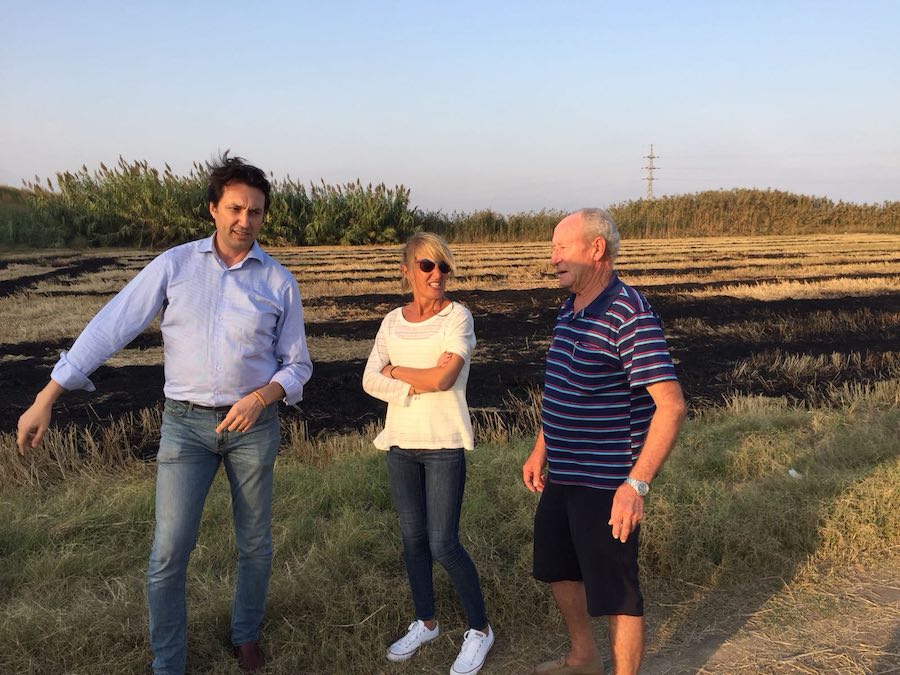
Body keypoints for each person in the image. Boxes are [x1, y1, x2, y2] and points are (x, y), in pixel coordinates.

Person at [16, 153, 313, 675]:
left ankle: (245, 634)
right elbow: (113, 325)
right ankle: (168, 662)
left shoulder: (278, 281)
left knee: (255, 543)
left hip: (254, 428)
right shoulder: (174, 266)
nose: (245, 221)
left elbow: (297, 365)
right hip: (186, 427)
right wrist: (47, 396)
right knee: (168, 553)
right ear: (213, 210)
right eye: (236, 209)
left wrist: (260, 398)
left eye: (256, 212)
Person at [522, 209, 686, 675]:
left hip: (608, 481)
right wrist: (541, 449)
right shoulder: (569, 308)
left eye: (561, 247)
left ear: (596, 249)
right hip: (564, 474)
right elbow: (560, 388)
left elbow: (671, 405)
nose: (551, 258)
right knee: (557, 567)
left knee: (617, 590)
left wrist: (635, 486)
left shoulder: (628, 313)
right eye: (552, 248)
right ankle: (582, 657)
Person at [362, 232, 494, 675]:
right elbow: (368, 379)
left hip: (443, 445)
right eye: (427, 266)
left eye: (444, 267)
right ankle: (426, 621)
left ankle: (480, 629)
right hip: (400, 445)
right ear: (407, 270)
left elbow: (444, 380)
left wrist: (395, 370)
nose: (437, 274)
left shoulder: (458, 317)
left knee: (444, 543)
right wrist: (416, 378)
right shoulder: (391, 321)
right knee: (413, 540)